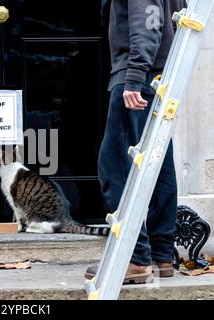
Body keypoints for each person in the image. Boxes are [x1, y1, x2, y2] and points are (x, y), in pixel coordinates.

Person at [85, 0, 187, 284]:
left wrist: (133, 76)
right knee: (159, 163)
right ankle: (160, 254)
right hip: (159, 76)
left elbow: (148, 23)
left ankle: (135, 258)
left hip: (139, 80)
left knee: (114, 164)